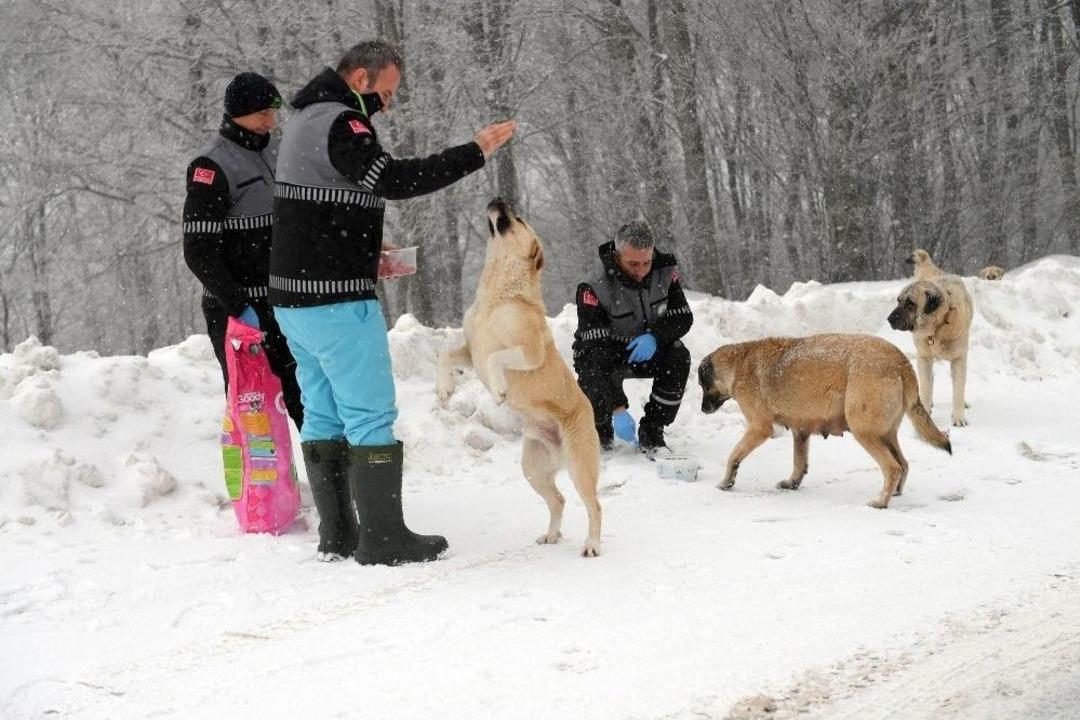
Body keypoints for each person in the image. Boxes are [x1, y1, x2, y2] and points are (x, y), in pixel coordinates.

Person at [269, 40, 516, 565]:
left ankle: (337, 534)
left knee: (323, 412)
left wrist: (362, 248)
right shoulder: (343, 123)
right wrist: (475, 151)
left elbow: (318, 206)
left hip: (294, 298)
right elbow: (395, 179)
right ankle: (382, 537)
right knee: (369, 413)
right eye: (386, 93)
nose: (389, 103)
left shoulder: (303, 121)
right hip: (336, 303)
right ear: (360, 79)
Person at [182, 71, 304, 431]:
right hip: (239, 313)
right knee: (256, 415)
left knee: (306, 401)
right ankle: (262, 488)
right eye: (262, 114)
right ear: (238, 113)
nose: (270, 121)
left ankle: (327, 484)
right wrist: (240, 307)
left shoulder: (279, 149)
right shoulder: (210, 167)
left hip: (285, 302)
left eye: (274, 112)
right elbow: (198, 251)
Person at [572, 221, 694, 453]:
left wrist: (656, 337)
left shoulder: (666, 271)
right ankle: (600, 427)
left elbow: (683, 316)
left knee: (679, 355)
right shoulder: (593, 287)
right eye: (633, 263)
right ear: (617, 257)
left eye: (646, 262)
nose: (641, 270)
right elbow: (596, 348)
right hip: (604, 353)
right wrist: (617, 408)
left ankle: (652, 430)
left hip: (647, 346)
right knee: (591, 367)